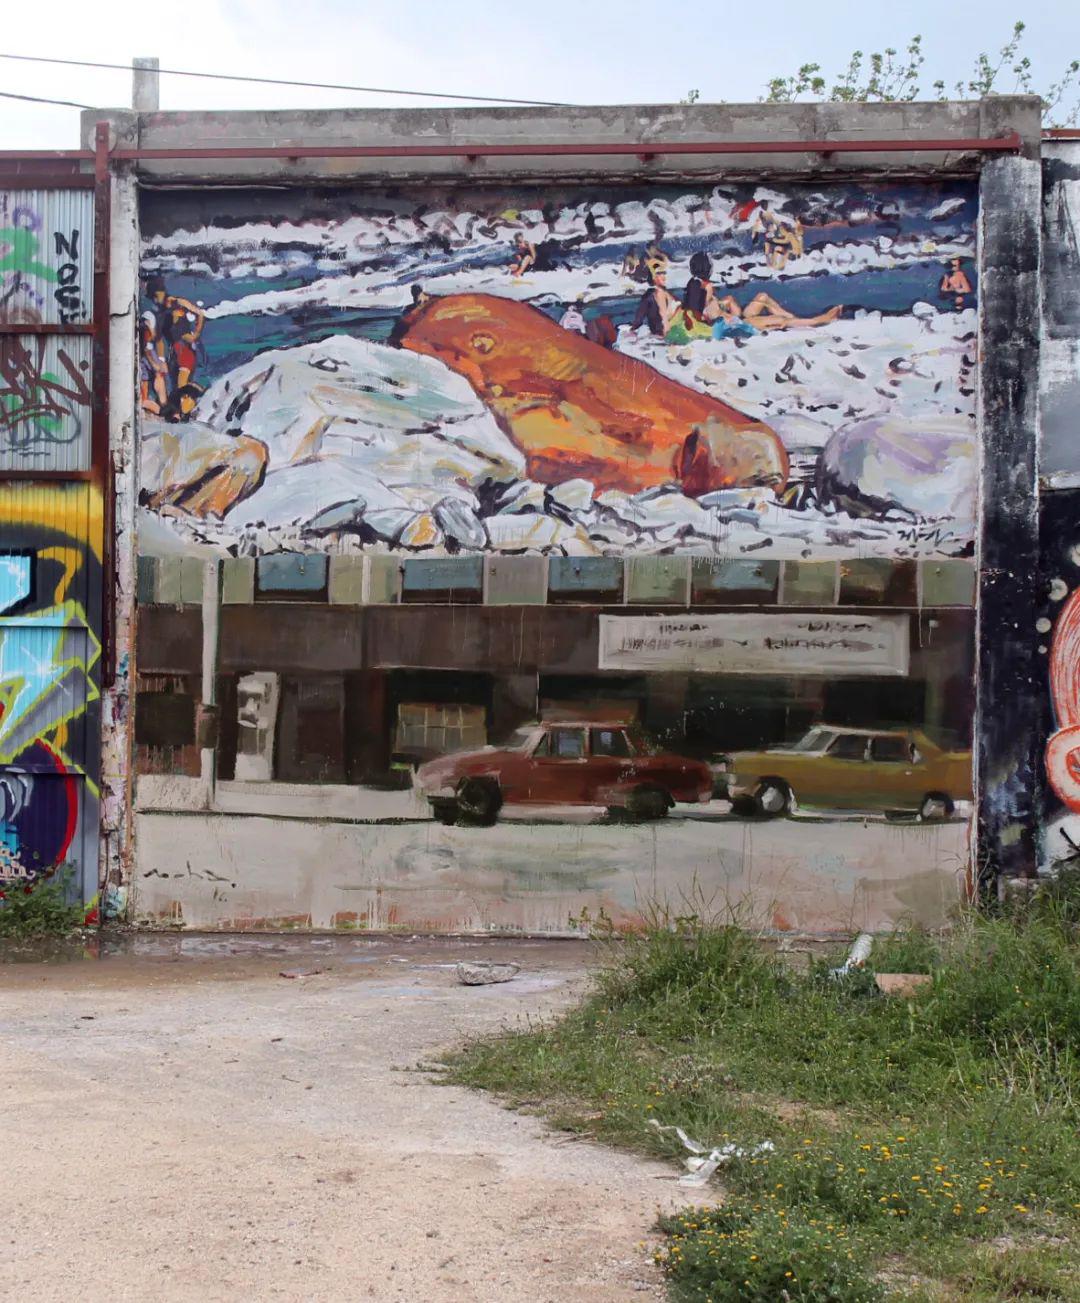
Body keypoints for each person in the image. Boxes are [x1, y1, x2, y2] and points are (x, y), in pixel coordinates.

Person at [146, 276, 206, 394]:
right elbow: (159, 339)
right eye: (153, 298)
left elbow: (200, 314)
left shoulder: (178, 302)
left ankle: (202, 392)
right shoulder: (159, 314)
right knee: (176, 390)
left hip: (186, 349)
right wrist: (162, 360)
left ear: (162, 292)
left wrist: (196, 335)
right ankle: (199, 395)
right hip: (173, 354)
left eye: (156, 296)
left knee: (182, 385)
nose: (155, 300)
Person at [712, 291, 843, 338]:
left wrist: (725, 305)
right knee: (779, 320)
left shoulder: (709, 299)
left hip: (736, 320)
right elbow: (716, 327)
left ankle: (793, 319)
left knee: (762, 297)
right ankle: (818, 320)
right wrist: (724, 314)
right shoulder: (708, 311)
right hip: (739, 326)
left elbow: (737, 312)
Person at [630, 268, 680, 337]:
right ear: (653, 277)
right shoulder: (652, 295)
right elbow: (639, 318)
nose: (663, 277)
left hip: (672, 330)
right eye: (659, 274)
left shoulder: (666, 293)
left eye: (663, 273)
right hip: (664, 332)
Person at [139, 310, 169, 414]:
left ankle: (159, 407)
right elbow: (148, 347)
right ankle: (162, 408)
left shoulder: (145, 330)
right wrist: (155, 363)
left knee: (147, 382)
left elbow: (155, 340)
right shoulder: (146, 330)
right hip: (147, 354)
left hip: (146, 355)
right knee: (158, 376)